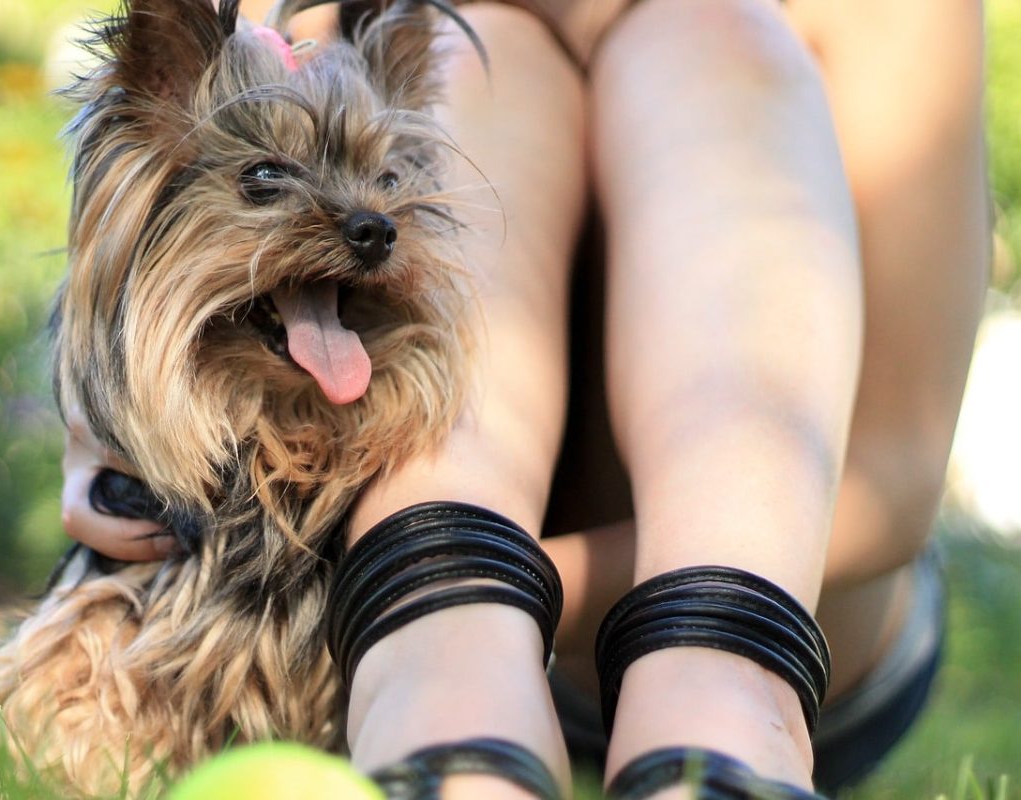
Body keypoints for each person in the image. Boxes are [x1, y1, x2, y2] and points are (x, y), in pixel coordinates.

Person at [61, 0, 988, 797]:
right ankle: (447, 675)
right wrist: (108, 425)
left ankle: (717, 695)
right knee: (484, 50)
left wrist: (507, 585)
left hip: (799, 617)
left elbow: (892, 488)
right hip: (403, 607)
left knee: (706, 30)